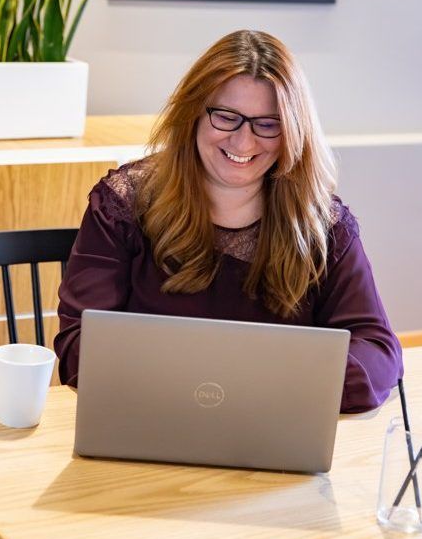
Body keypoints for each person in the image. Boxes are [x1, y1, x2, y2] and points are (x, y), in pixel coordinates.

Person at [54, 30, 403, 412]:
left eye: (267, 124)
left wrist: (265, 387)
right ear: (193, 114)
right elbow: (79, 345)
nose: (243, 142)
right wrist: (243, 379)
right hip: (150, 423)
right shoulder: (122, 206)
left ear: (293, 131)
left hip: (273, 438)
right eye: (226, 117)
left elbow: (378, 352)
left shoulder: (324, 227)